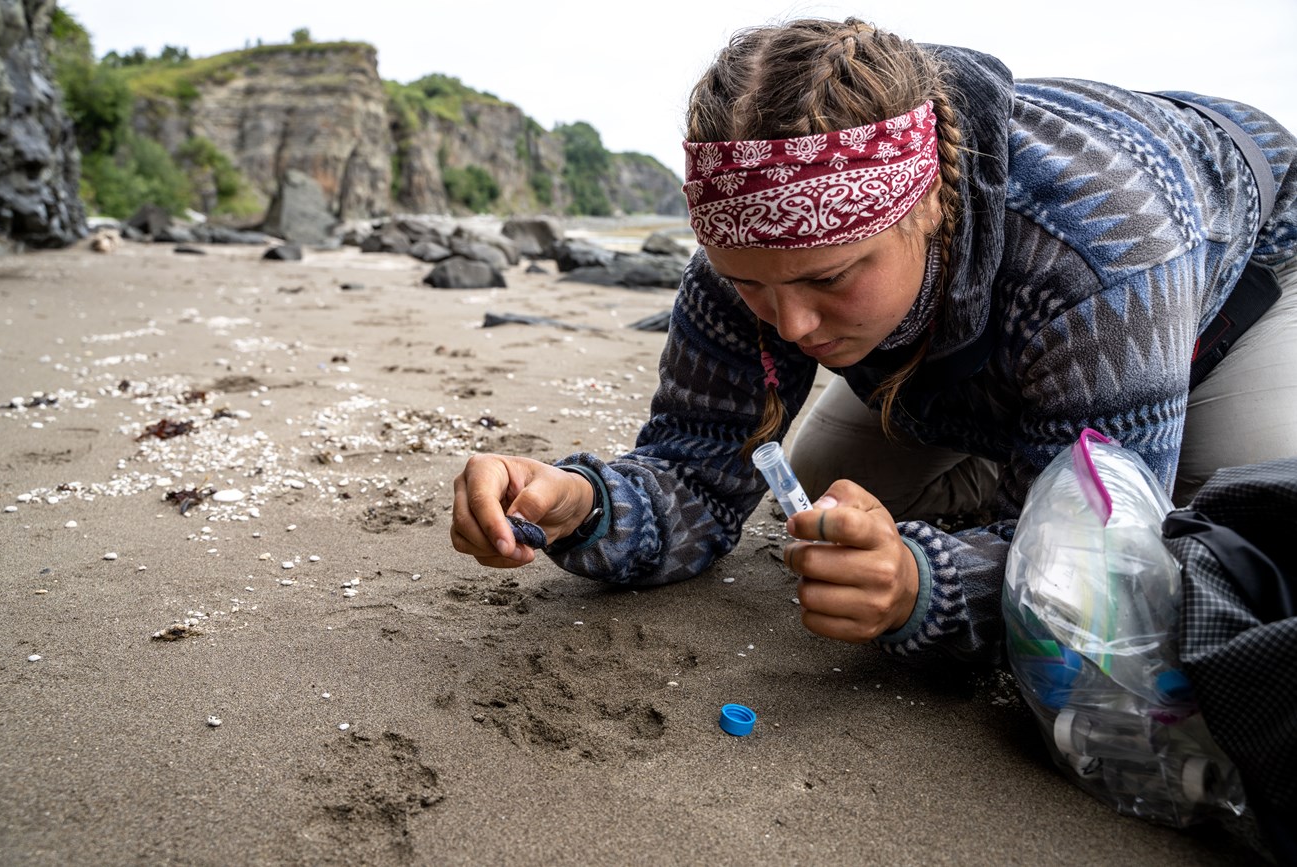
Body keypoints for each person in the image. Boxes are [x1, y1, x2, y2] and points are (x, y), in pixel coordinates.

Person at [451, 18, 1297, 665]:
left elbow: (1101, 576)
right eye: (752, 285)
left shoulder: (1103, 248)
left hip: (1241, 287)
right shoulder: (755, 242)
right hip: (965, 335)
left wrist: (922, 586)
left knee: (1225, 527)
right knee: (818, 516)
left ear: (928, 205)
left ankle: (1034, 456)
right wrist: (577, 501)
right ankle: (1012, 455)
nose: (791, 326)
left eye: (829, 278)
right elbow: (696, 476)